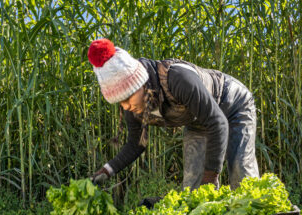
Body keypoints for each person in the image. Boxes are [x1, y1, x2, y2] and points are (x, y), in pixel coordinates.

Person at [88, 38, 259, 190]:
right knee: (193, 189)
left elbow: (218, 123)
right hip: (199, 120)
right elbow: (136, 144)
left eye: (127, 98)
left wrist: (211, 176)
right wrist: (107, 170)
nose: (125, 106)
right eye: (120, 102)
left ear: (141, 84)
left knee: (241, 175)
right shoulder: (133, 108)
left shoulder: (178, 78)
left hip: (233, 105)